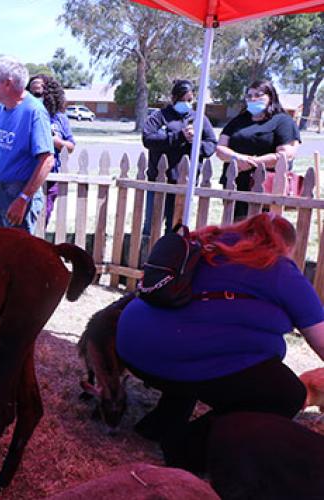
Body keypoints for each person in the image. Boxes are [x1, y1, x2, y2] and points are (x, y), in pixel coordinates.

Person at [116, 213, 324, 472]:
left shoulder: (206, 241)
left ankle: (161, 423)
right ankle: (185, 449)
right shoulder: (277, 267)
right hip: (178, 354)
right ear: (286, 247)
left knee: (204, 344)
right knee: (288, 395)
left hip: (130, 343)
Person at [0, 57, 54, 233]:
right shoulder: (2, 108)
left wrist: (23, 198)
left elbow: (47, 160)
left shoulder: (34, 111)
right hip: (1, 192)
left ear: (7, 84)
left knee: (17, 256)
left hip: (19, 193)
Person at [216, 80, 300, 220]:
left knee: (262, 234)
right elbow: (220, 149)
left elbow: (286, 154)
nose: (253, 99)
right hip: (235, 186)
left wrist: (254, 162)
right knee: (235, 232)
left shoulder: (283, 121)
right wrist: (238, 158)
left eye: (258, 95)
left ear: (271, 97)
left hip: (266, 189)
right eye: (249, 96)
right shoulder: (238, 120)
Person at [142, 80, 216, 233]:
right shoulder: (159, 116)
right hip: (159, 181)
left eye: (189, 100)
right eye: (182, 100)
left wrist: (194, 142)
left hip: (185, 185)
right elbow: (148, 139)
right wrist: (179, 137)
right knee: (151, 226)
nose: (186, 103)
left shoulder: (200, 119)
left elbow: (211, 146)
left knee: (175, 228)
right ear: (173, 98)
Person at [28, 74, 75, 226]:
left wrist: (56, 142)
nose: (34, 97)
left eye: (38, 94)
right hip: (27, 176)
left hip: (51, 177)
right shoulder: (26, 115)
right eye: (31, 93)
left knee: (43, 220)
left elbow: (71, 146)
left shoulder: (60, 118)